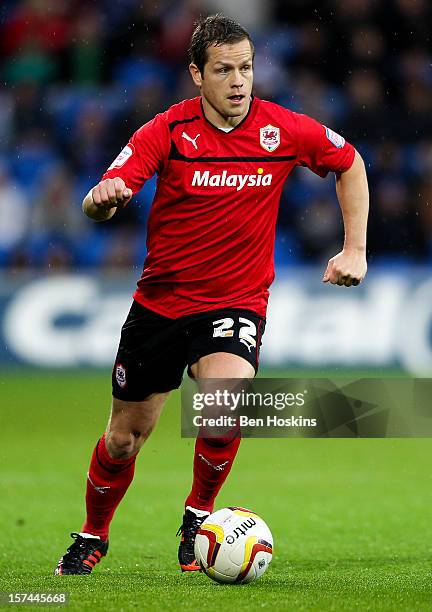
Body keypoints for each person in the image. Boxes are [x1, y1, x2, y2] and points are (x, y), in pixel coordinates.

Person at [54, 14, 369, 575]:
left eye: (246, 67)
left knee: (224, 404)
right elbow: (107, 191)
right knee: (125, 439)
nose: (239, 81)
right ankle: (93, 535)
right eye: (224, 70)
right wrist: (102, 200)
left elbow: (350, 162)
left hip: (236, 301)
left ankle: (197, 519)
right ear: (197, 74)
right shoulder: (167, 132)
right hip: (161, 304)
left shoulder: (282, 129)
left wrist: (354, 249)